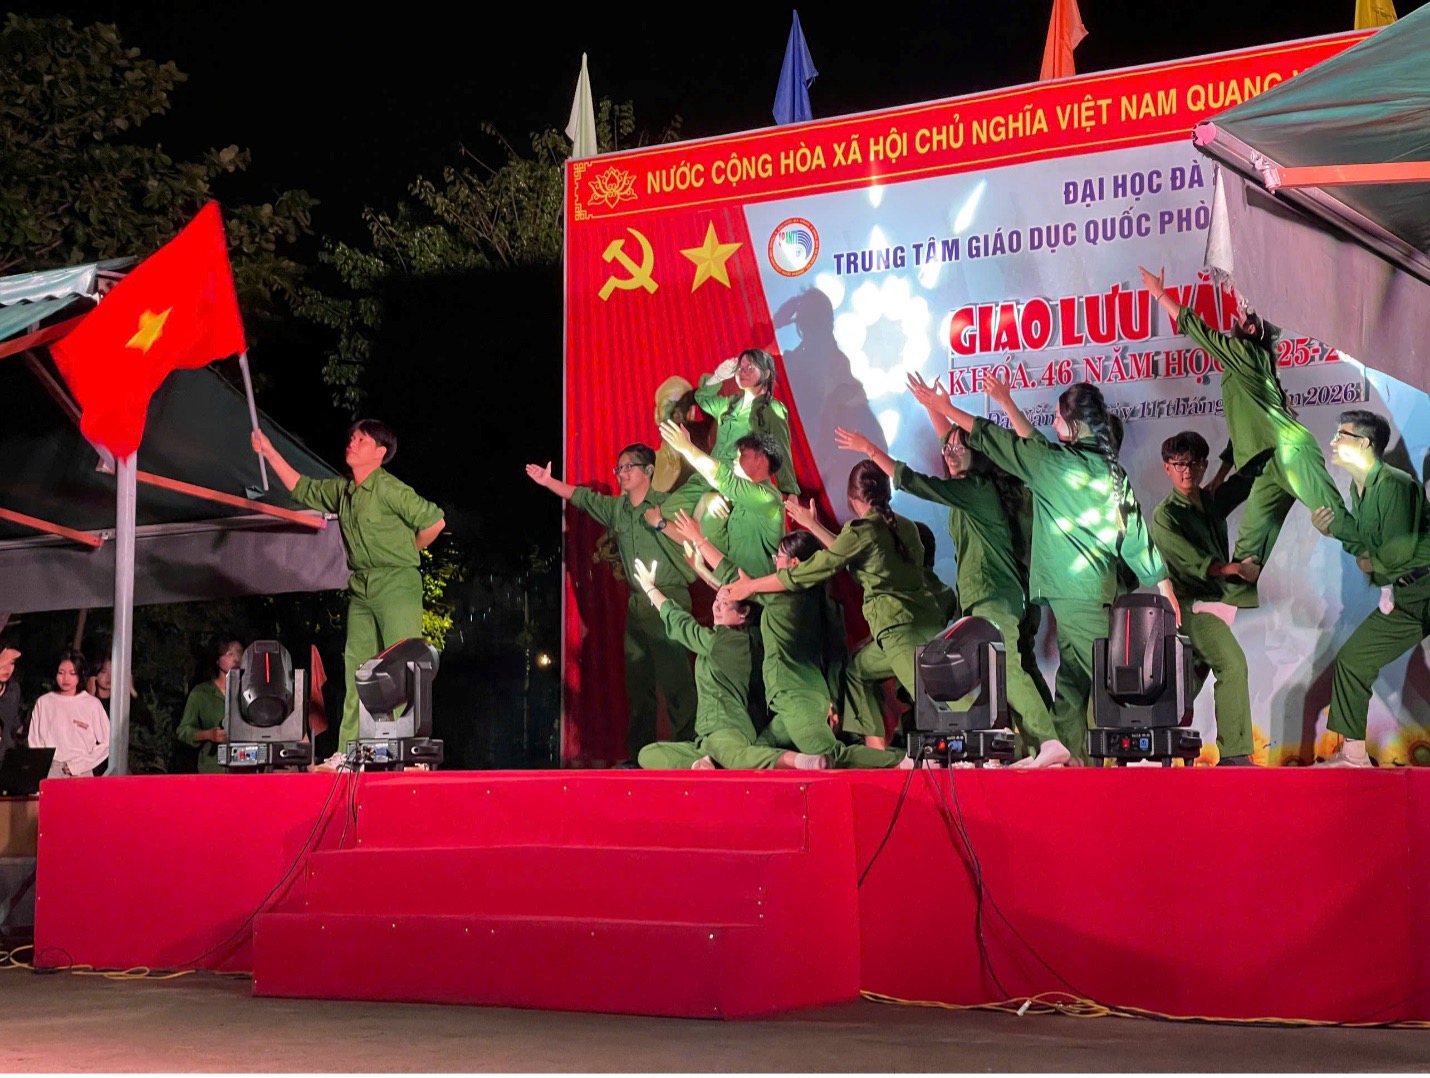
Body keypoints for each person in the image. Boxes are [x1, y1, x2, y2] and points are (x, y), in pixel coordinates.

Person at [908, 372, 1175, 761]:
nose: (1052, 422)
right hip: (1082, 596)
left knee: (1110, 684)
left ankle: (1136, 763)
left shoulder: (1053, 467)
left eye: (1057, 417)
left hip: (1076, 596)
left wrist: (945, 408)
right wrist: (1163, 584)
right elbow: (1135, 535)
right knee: (1071, 690)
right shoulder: (1103, 471)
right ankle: (1068, 764)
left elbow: (999, 441)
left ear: (1074, 425)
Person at [834, 426, 1064, 767]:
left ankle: (1047, 742)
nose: (950, 453)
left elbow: (917, 482)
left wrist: (869, 447)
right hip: (987, 596)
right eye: (947, 449)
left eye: (959, 448)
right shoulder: (972, 491)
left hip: (993, 595)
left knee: (1006, 669)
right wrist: (937, 407)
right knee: (1004, 671)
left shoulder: (975, 489)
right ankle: (1040, 749)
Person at [1140, 266, 1344, 607]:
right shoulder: (1245, 367)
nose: (1237, 319)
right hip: (1265, 464)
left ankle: (1380, 552)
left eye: (1244, 317)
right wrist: (1222, 473)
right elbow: (1243, 430)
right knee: (1247, 558)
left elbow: (1201, 333)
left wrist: (1160, 295)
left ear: (1252, 330)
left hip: (1287, 453)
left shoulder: (1245, 354)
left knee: (1335, 520)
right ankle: (1229, 613)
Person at [718, 460, 947, 751]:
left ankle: (948, 761)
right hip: (925, 623)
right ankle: (878, 755)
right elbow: (848, 551)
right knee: (858, 672)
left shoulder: (863, 531)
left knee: (936, 703)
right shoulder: (905, 527)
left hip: (901, 632)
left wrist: (750, 586)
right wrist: (813, 526)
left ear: (852, 499)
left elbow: (819, 566)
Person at [252, 420, 445, 757]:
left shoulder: (389, 489)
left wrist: (407, 551)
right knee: (358, 669)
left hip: (397, 582)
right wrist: (269, 451)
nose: (352, 442)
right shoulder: (343, 490)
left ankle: (406, 748)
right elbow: (302, 488)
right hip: (361, 585)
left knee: (403, 667)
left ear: (380, 452)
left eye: (362, 440)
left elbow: (435, 522)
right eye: (352, 437)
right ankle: (348, 750)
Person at [667, 511, 904, 769]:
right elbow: (836, 658)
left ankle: (906, 761)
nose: (774, 564)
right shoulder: (826, 603)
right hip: (808, 698)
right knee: (758, 754)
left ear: (794, 564)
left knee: (834, 756)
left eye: (778, 558)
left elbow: (734, 576)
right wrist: (832, 701)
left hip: (795, 699)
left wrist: (700, 539)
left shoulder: (783, 597)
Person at [526, 445, 698, 757]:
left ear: (648, 470)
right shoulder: (618, 509)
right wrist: (548, 481)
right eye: (619, 468)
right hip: (638, 602)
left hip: (668, 599)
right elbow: (583, 498)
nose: (622, 473)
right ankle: (640, 755)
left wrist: (663, 523)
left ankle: (691, 751)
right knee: (638, 682)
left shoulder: (667, 504)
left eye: (629, 466)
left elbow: (694, 541)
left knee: (675, 679)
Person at [1309, 410, 1430, 768]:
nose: (1333, 441)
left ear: (1364, 443)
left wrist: (1371, 563)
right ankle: (1354, 755)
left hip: (1425, 585)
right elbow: (1364, 541)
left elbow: (1397, 551)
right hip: (1407, 598)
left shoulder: (1394, 483)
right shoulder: (1357, 488)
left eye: (1341, 435)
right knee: (1353, 660)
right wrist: (1333, 529)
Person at [632, 558, 828, 772]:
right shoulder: (749, 641)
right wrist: (703, 569)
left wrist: (651, 589)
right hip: (705, 738)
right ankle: (702, 762)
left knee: (736, 757)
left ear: (743, 613)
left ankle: (801, 761)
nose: (716, 606)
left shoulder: (723, 642)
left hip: (727, 728)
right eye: (716, 600)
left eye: (725, 604)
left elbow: (681, 624)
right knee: (647, 754)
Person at [1150, 432, 1259, 766]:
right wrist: (1234, 569)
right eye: (1179, 464)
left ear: (1203, 465)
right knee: (1232, 664)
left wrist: (1252, 436)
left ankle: (1153, 744)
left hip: (1218, 603)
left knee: (1186, 684)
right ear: (1167, 467)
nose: (1186, 471)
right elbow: (1194, 563)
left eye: (1193, 464)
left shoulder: (1210, 500)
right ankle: (1235, 755)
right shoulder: (1166, 515)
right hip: (1191, 608)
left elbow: (1245, 478)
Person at [660, 349, 800, 519]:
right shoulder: (729, 404)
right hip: (708, 472)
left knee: (707, 519)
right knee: (668, 511)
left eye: (750, 368)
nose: (743, 372)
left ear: (766, 373)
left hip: (736, 481)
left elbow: (781, 448)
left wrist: (790, 491)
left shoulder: (773, 409)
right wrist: (718, 376)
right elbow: (702, 399)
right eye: (741, 368)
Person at [651, 421, 785, 577]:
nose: (735, 460)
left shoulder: (768, 499)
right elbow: (712, 543)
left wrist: (687, 448)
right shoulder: (733, 501)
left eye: (743, 456)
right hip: (737, 588)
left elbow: (724, 479)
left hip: (762, 590)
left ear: (761, 461)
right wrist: (704, 501)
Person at [27, 648, 109, 778]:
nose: (66, 678)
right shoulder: (44, 702)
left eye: (72, 673)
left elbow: (107, 742)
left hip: (81, 770)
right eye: (61, 673)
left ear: (80, 674)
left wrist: (80, 765)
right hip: (50, 768)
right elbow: (34, 741)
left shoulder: (92, 704)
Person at [176, 636, 244, 775]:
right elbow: (183, 731)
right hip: (213, 770)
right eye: (230, 654)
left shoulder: (250, 692)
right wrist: (207, 734)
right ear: (217, 659)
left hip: (246, 771)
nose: (236, 658)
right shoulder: (201, 693)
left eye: (239, 653)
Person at [0, 643, 24, 770]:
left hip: (6, 761)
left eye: (12, 663)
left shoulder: (13, 690)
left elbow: (15, 725)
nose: (7, 668)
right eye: (3, 662)